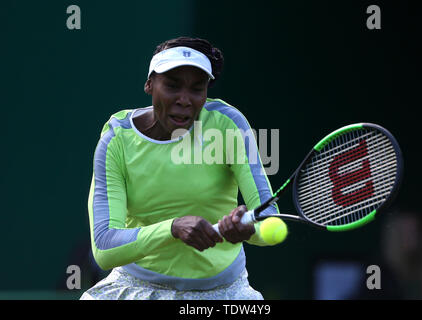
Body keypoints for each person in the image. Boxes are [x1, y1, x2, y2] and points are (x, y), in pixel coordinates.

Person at [80, 37, 279, 300]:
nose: (184, 99)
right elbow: (105, 247)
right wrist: (172, 228)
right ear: (150, 84)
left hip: (223, 292)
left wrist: (249, 229)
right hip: (136, 286)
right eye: (172, 86)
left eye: (197, 89)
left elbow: (270, 221)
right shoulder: (117, 139)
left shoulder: (228, 124)